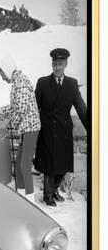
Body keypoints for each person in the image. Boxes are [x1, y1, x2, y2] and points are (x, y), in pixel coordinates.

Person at [34, 48, 87, 207]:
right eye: (55, 64)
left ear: (66, 64)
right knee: (49, 164)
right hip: (47, 130)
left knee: (63, 164)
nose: (58, 67)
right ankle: (47, 195)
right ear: (52, 64)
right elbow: (34, 107)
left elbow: (81, 108)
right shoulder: (42, 83)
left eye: (61, 64)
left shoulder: (72, 84)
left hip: (64, 131)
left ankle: (55, 190)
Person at [0, 55, 41, 203]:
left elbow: (20, 109)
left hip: (30, 128)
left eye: (2, 73)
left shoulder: (20, 82)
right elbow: (16, 106)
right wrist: (1, 111)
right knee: (19, 163)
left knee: (24, 165)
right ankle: (22, 197)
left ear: (7, 70)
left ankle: (30, 201)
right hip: (26, 128)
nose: (2, 78)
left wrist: (11, 124)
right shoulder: (17, 81)